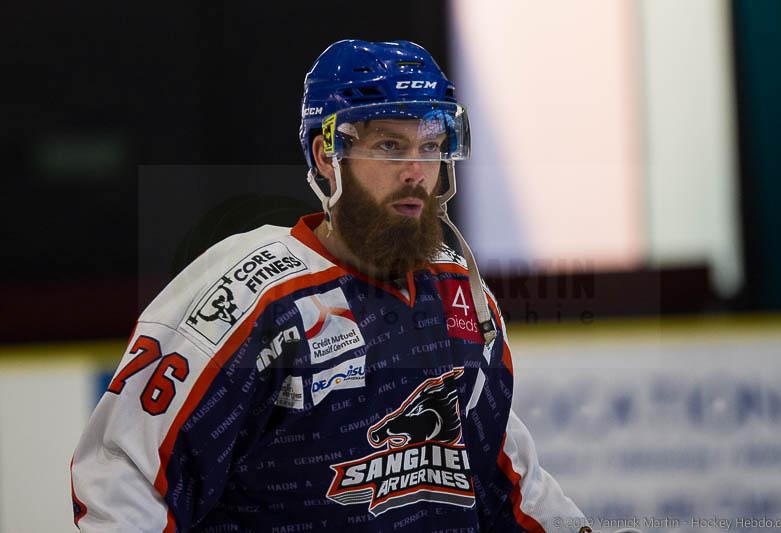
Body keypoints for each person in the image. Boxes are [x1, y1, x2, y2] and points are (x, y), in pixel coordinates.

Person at [70, 39, 586, 532]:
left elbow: (510, 485)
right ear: (326, 156)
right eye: (390, 146)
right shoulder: (253, 294)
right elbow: (126, 477)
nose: (416, 171)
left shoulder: (458, 293)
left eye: (430, 145)